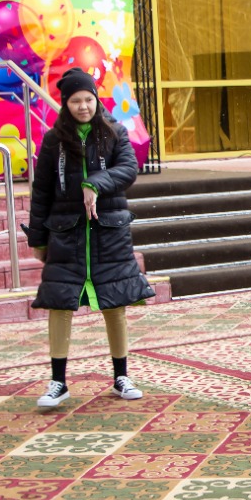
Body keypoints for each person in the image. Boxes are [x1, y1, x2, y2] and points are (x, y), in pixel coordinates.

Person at [25, 68, 155, 409]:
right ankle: (58, 382)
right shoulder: (54, 140)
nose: (83, 106)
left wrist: (94, 182)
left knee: (115, 303)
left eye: (88, 99)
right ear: (65, 104)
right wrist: (38, 238)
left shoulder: (113, 132)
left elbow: (128, 169)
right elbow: (41, 192)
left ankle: (121, 376)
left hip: (108, 232)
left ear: (97, 99)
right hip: (65, 234)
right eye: (75, 101)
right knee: (59, 304)